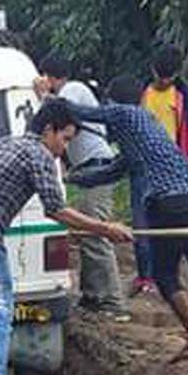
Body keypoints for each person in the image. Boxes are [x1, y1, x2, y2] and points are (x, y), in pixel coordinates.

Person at [0, 100, 133, 375]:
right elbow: (56, 209)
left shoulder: (7, 144)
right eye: (65, 139)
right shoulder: (39, 155)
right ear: (48, 130)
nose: (64, 148)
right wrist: (104, 228)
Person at [66, 76, 188, 373]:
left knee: (165, 276)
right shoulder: (143, 136)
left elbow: (81, 113)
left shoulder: (125, 112)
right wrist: (69, 179)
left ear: (112, 101)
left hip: (169, 203)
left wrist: (46, 96)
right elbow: (109, 173)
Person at [33, 55, 130, 323]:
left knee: (96, 231)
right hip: (89, 169)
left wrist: (43, 97)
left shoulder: (72, 89)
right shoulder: (70, 91)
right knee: (87, 232)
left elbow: (67, 114)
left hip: (98, 168)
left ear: (51, 77)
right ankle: (93, 296)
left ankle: (113, 301)